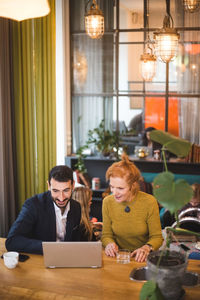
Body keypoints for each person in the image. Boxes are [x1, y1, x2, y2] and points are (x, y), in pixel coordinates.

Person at [5, 165, 82, 254]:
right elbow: (12, 241)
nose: (61, 198)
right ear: (49, 186)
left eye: (66, 190)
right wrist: (50, 248)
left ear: (73, 185)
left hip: (67, 259)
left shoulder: (76, 207)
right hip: (41, 259)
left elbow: (75, 241)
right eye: (55, 191)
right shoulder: (33, 205)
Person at [101, 153, 163, 263]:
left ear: (133, 185)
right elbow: (106, 235)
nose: (114, 193)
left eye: (120, 188)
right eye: (112, 187)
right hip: (117, 258)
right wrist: (109, 244)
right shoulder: (107, 202)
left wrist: (146, 247)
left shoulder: (149, 202)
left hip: (142, 259)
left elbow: (157, 237)